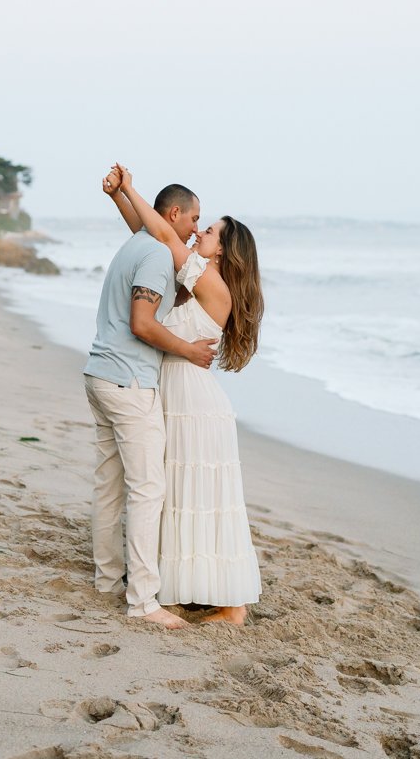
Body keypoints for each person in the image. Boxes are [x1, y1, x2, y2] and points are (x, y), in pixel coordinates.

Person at [103, 164, 264, 625]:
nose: (199, 233)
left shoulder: (213, 285)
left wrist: (131, 188)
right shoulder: (191, 277)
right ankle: (186, 589)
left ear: (224, 248)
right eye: (199, 224)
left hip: (194, 403)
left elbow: (165, 236)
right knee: (178, 496)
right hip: (174, 395)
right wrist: (120, 199)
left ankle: (232, 607)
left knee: (200, 499)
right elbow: (153, 237)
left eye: (208, 231)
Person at [82, 180, 217, 630]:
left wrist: (121, 196)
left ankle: (106, 580)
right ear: (174, 215)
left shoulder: (138, 243)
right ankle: (142, 600)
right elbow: (143, 323)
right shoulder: (158, 255)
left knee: (110, 484)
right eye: (195, 218)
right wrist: (188, 350)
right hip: (128, 383)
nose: (197, 227)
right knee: (148, 489)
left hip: (100, 375)